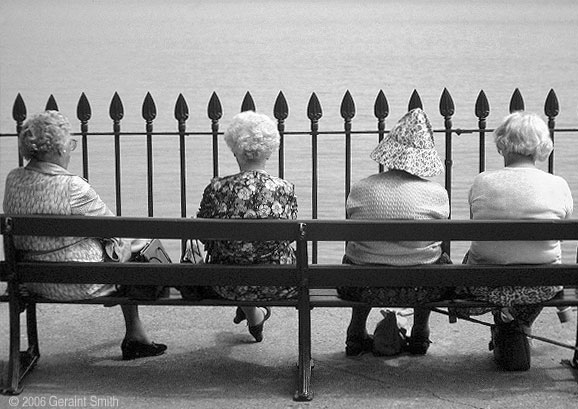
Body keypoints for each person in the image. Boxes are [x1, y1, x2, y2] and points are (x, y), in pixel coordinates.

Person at [3, 110, 166, 360]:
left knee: (123, 246)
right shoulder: (72, 187)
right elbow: (114, 228)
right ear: (57, 149)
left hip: (32, 280)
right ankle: (135, 335)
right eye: (70, 144)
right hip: (80, 282)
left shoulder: (13, 179)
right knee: (136, 245)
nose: (70, 150)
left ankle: (137, 335)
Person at [461, 111, 573, 370]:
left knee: (480, 255)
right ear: (542, 146)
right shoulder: (558, 184)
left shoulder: (483, 181)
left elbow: (476, 227)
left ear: (502, 144)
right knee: (543, 258)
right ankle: (519, 322)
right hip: (542, 285)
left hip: (484, 284)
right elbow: (561, 236)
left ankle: (507, 320)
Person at [337, 108, 453, 356]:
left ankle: (356, 330)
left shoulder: (361, 188)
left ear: (389, 153)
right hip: (421, 286)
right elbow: (440, 241)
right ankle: (420, 331)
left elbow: (352, 235)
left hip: (362, 285)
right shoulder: (437, 194)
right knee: (437, 260)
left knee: (357, 257)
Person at [197, 111, 298, 342]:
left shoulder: (217, 188)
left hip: (225, 282)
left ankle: (251, 311)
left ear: (235, 149)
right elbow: (287, 239)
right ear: (270, 151)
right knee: (258, 256)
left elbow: (203, 235)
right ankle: (253, 312)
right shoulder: (284, 189)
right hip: (278, 282)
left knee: (235, 258)